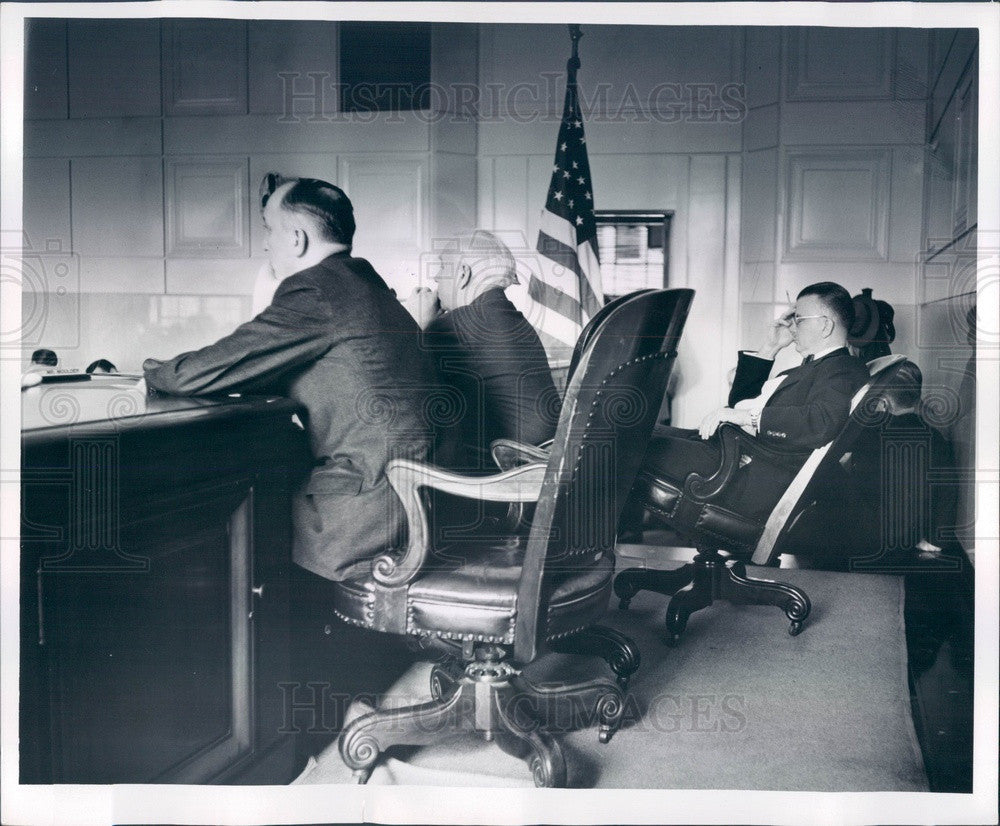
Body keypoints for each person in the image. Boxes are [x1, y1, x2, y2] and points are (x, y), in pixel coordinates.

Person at [143, 173, 452, 582]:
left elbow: (204, 371)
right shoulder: (363, 284)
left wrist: (149, 372)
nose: (266, 243)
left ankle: (244, 634)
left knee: (224, 519)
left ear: (296, 239)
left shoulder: (317, 290)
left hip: (370, 509)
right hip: (415, 497)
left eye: (269, 230)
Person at [631, 281, 870, 524]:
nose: (792, 327)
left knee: (624, 443)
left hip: (747, 475)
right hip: (735, 457)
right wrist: (771, 347)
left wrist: (748, 417)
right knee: (633, 433)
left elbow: (821, 421)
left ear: (825, 325)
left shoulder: (843, 369)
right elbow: (740, 403)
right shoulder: (814, 367)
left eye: (798, 319)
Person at [402, 230, 558, 470]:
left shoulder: (459, 324)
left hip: (504, 474)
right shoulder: (508, 317)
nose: (435, 278)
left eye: (442, 268)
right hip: (536, 465)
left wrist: (415, 324)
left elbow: (401, 376)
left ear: (463, 274)